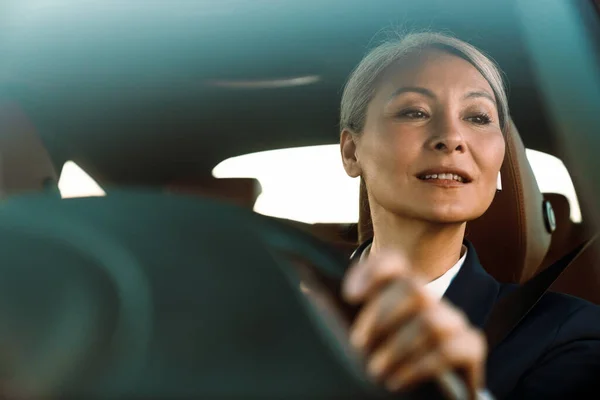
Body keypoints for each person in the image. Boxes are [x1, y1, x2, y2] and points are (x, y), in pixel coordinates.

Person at [338, 32, 600, 399]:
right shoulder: (272, 307)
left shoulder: (568, 333)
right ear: (351, 153)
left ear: (499, 157)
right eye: (414, 112)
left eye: (477, 117)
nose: (451, 136)